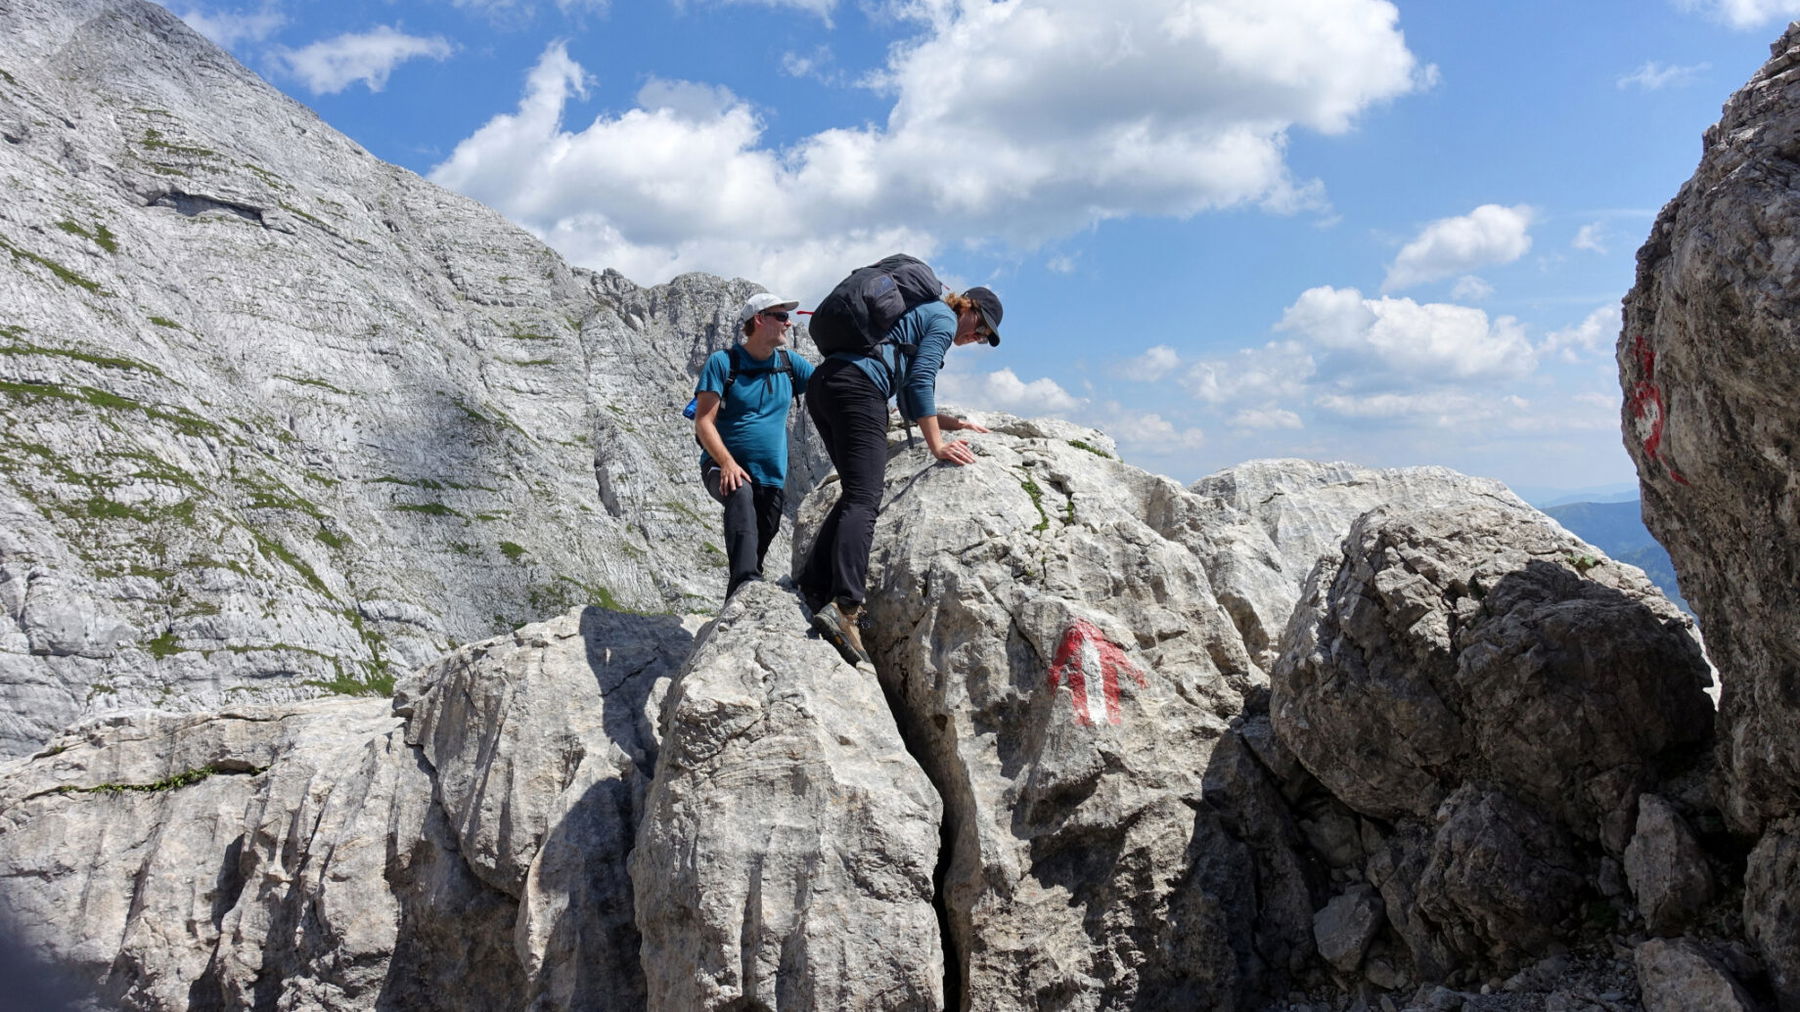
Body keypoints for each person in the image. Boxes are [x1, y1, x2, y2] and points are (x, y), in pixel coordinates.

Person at [799, 284, 1002, 666]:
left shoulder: (920, 317)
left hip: (826, 385)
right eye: (981, 326)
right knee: (864, 499)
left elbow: (910, 401)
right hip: (859, 390)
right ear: (968, 307)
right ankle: (846, 609)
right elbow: (922, 380)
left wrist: (953, 423)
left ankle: (812, 583)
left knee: (856, 491)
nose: (976, 337)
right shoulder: (942, 318)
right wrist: (938, 445)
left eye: (984, 338)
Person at [693, 292, 815, 599]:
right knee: (740, 494)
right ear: (759, 320)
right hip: (722, 466)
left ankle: (740, 599)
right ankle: (746, 584)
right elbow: (703, 421)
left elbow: (829, 389)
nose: (789, 323)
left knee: (761, 536)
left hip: (771, 476)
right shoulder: (724, 363)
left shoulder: (790, 364)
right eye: (781, 316)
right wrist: (727, 462)